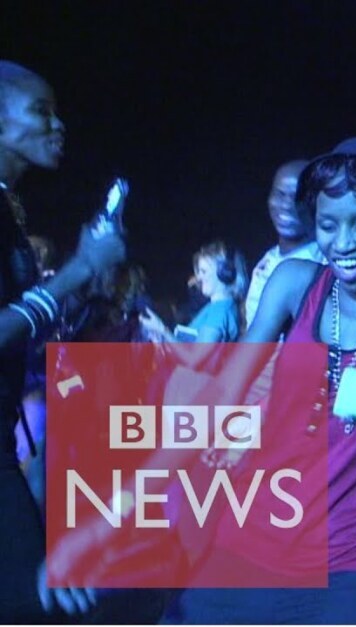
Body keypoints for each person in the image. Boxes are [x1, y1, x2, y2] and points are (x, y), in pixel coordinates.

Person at [166, 137, 356, 623]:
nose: (342, 243)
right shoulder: (294, 282)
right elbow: (226, 390)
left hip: (343, 551)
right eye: (328, 225)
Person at [0, 59, 125, 621]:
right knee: (37, 602)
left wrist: (87, 285)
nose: (59, 125)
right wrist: (77, 270)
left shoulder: (9, 208)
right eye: (41, 111)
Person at [243, 159, 323, 329]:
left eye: (298, 197)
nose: (287, 205)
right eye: (280, 194)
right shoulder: (268, 259)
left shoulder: (322, 266)